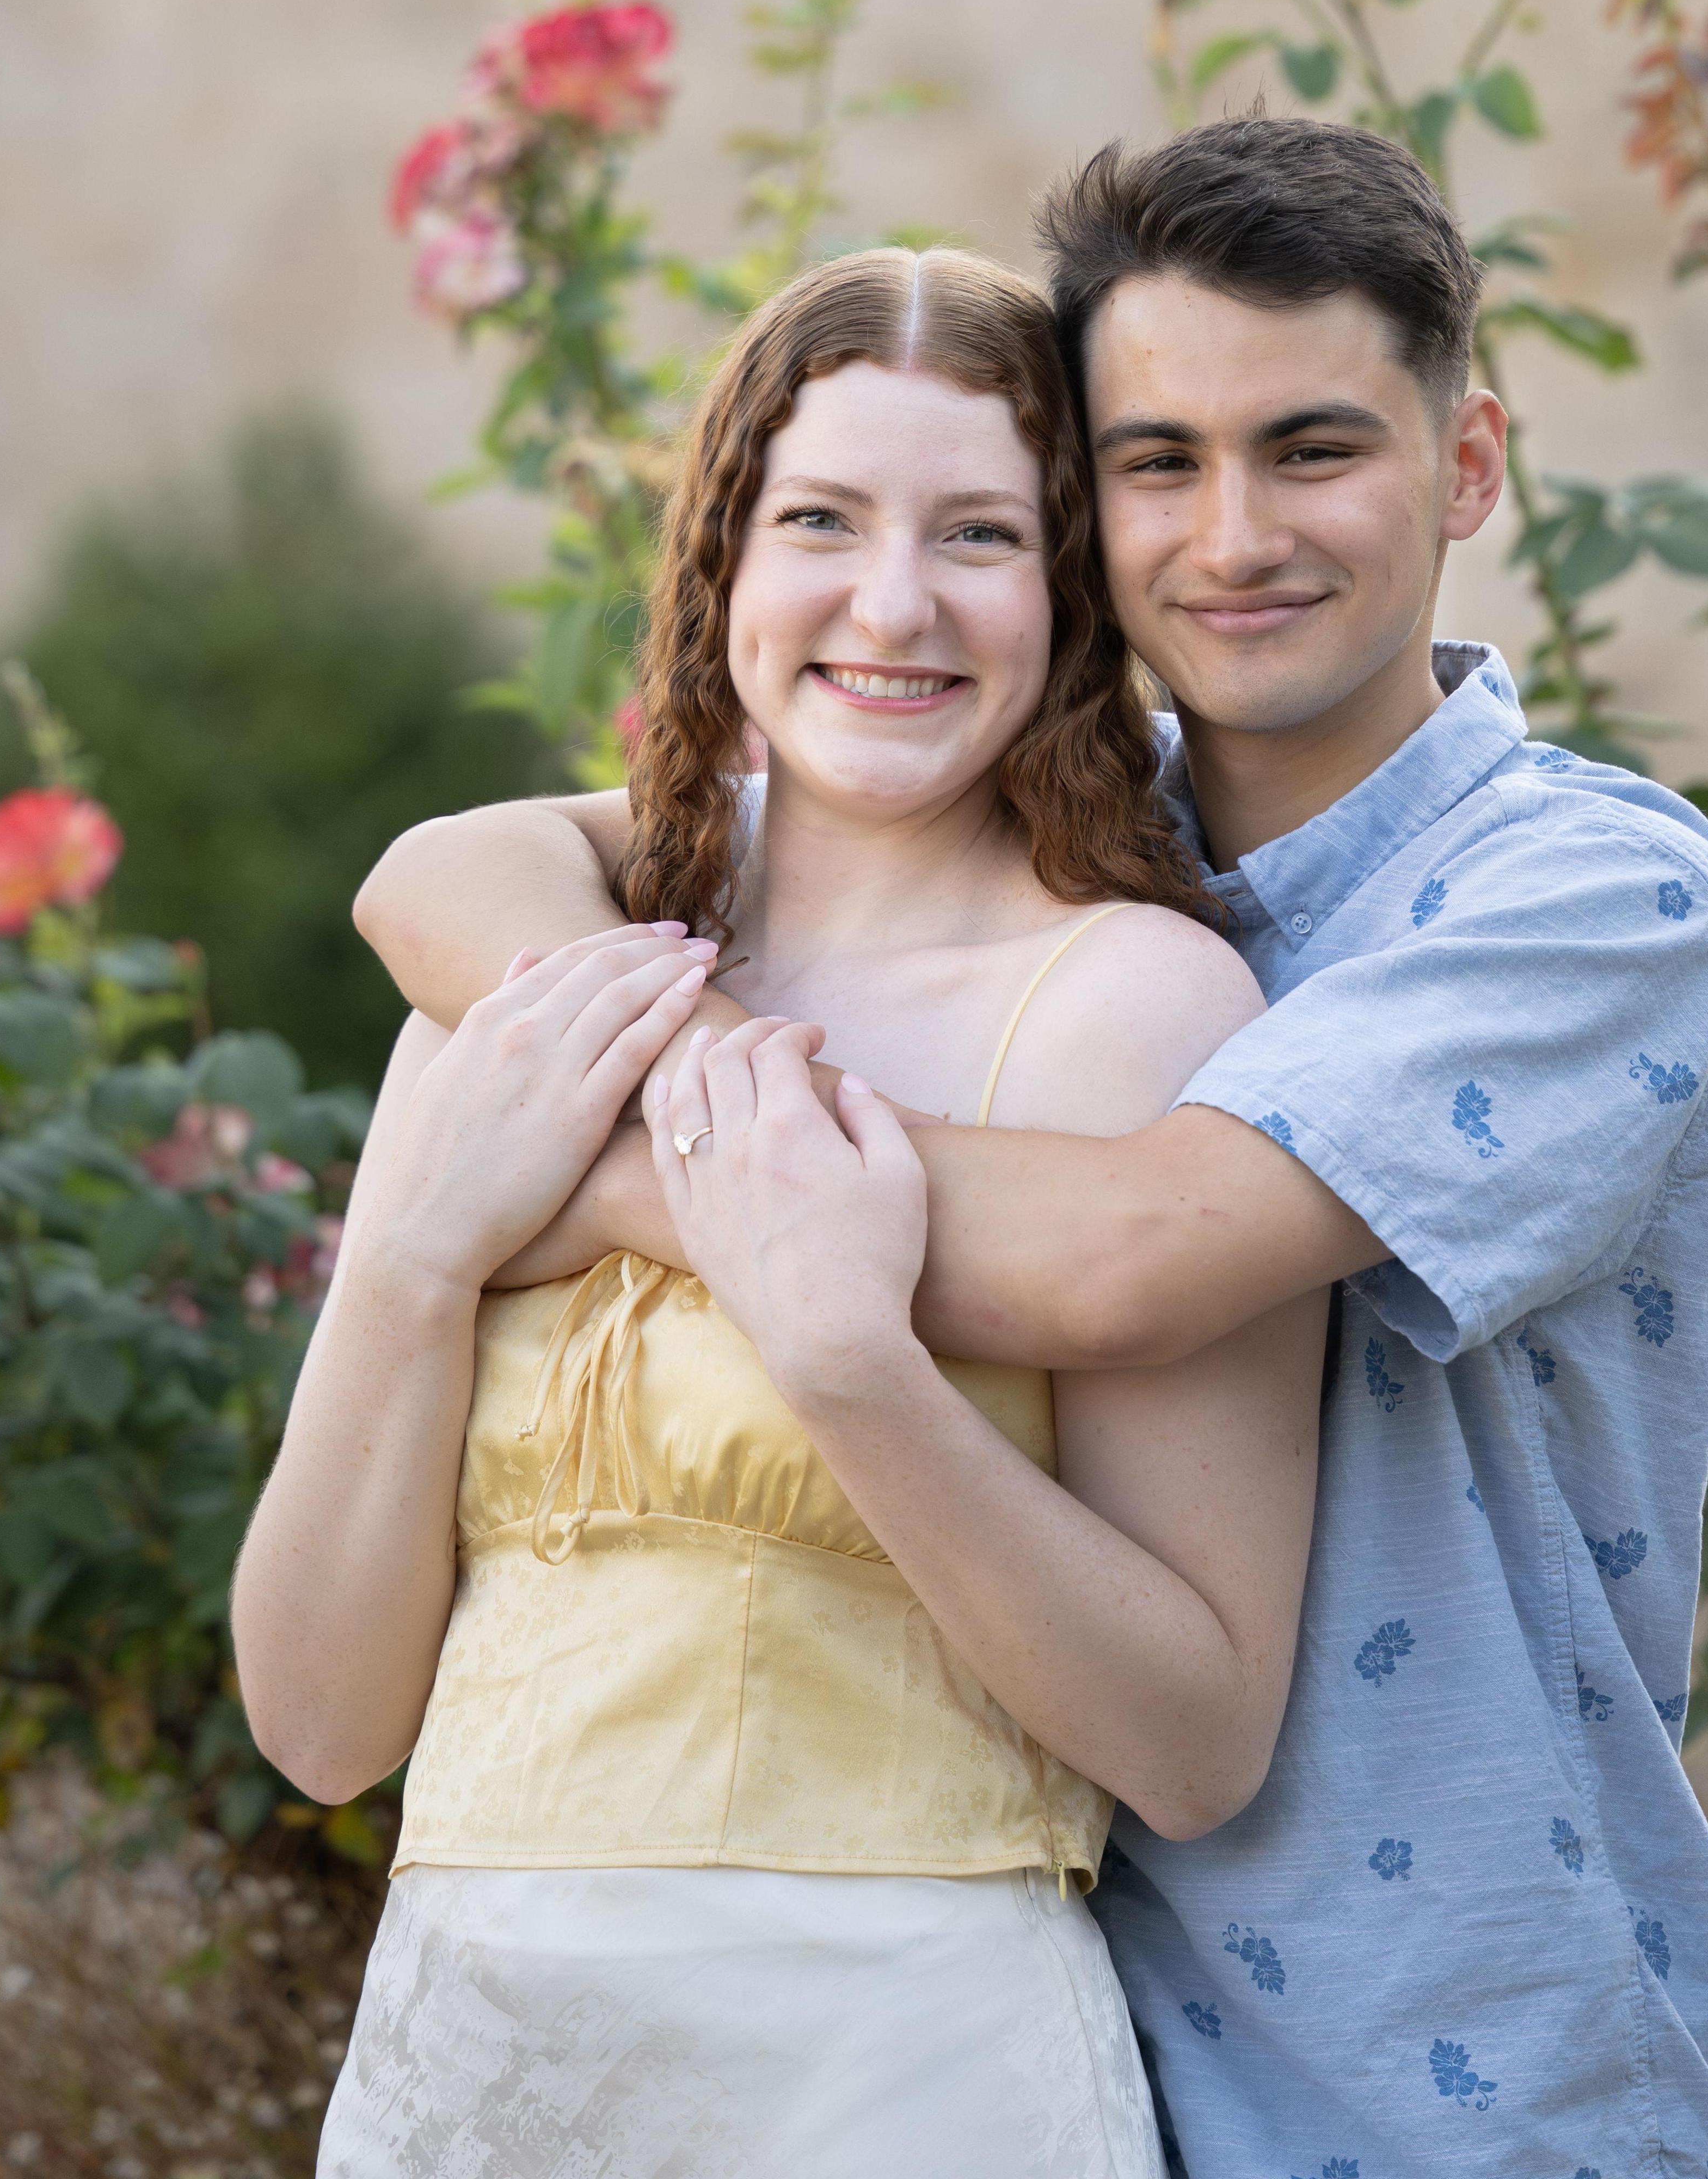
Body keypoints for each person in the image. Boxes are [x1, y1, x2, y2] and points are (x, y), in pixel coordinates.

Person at [359, 120, 1708, 2179]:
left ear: (1468, 466)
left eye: (1314, 449)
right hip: (1051, 2046)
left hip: (1461, 2062)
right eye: (1154, 464)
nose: (1232, 536)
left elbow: (1119, 1256)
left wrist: (557, 1167)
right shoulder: (1044, 861)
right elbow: (446, 874)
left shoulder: (1585, 901)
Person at [231, 245, 1328, 2179]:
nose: (890, 604)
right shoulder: (544, 985)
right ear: (721, 558)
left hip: (897, 2074)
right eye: (820, 518)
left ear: (1069, 594)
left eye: (981, 533)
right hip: (463, 2078)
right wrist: (411, 1265)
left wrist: (851, 1362)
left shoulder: (1132, 1007)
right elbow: (320, 1729)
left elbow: (1196, 1740)